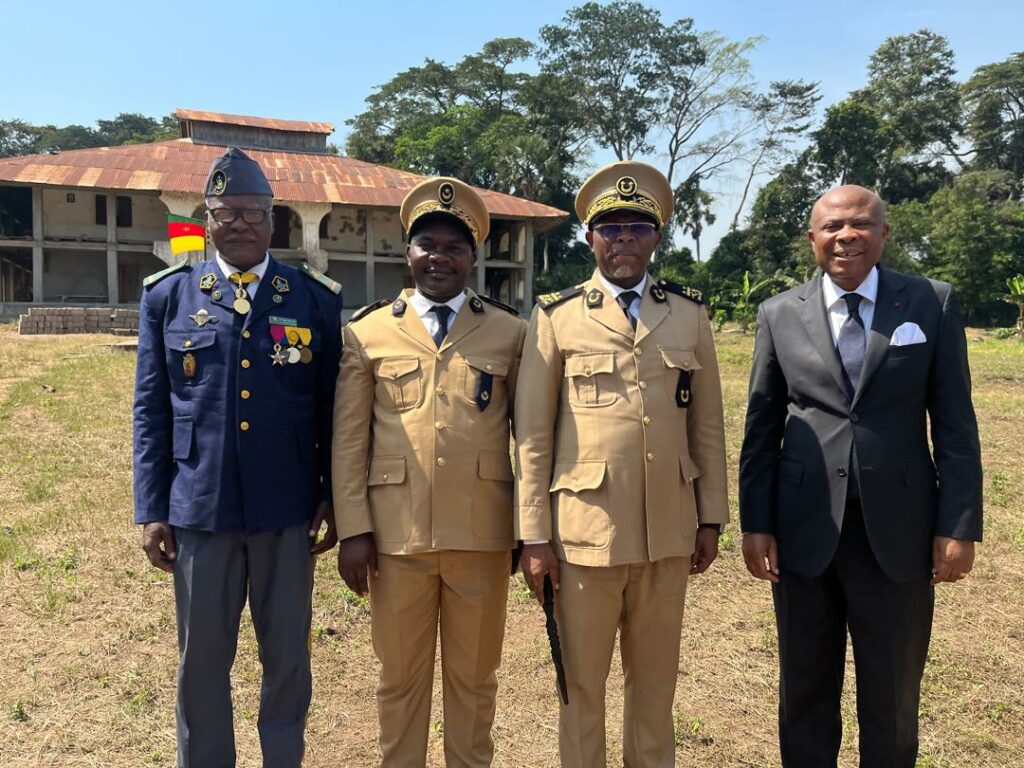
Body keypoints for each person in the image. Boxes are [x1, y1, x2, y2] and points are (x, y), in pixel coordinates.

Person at [739, 185, 983, 767]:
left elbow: (955, 425)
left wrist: (959, 524)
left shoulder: (929, 303)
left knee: (894, 691)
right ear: (813, 239)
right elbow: (761, 427)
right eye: (832, 226)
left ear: (883, 233)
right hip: (803, 531)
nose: (847, 235)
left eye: (861, 224)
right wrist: (756, 523)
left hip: (898, 531)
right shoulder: (779, 314)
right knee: (803, 686)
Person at [514, 161, 729, 768]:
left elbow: (705, 426)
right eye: (610, 228)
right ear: (590, 239)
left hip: (668, 532)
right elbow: (531, 436)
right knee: (581, 688)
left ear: (657, 237)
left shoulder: (689, 316)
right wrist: (533, 535)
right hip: (584, 537)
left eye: (637, 227)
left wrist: (710, 519)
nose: (623, 239)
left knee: (656, 688)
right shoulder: (555, 318)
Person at [132, 147, 343, 768]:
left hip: (287, 509)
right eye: (228, 213)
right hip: (201, 509)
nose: (243, 224)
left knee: (286, 660)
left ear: (273, 218)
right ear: (207, 219)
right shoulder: (168, 298)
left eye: (255, 212)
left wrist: (331, 493)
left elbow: (333, 409)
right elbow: (152, 413)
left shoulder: (312, 298)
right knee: (201, 663)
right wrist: (152, 508)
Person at [331, 176, 526, 767]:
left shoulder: (511, 332)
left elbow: (533, 437)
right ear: (407, 252)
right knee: (399, 683)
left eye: (455, 246)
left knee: (474, 686)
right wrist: (353, 530)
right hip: (396, 539)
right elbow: (348, 442)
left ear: (473, 257)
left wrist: (528, 528)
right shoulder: (367, 333)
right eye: (427, 244)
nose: (440, 256)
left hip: (482, 535)